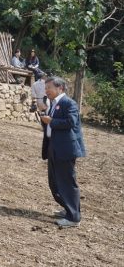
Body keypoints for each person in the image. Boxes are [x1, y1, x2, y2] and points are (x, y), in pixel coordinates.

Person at [40, 76, 86, 228]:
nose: (46, 91)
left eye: (49, 88)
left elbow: (70, 122)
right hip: (54, 146)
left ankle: (73, 218)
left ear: (60, 88)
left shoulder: (69, 103)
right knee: (54, 182)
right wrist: (44, 118)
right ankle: (68, 208)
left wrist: (51, 121)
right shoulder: (53, 103)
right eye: (45, 88)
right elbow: (50, 123)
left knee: (66, 182)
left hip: (65, 149)